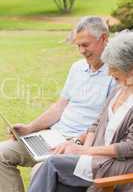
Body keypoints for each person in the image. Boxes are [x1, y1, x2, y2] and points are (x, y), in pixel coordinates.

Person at [0, 16, 115, 192]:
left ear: (104, 39)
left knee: (40, 170)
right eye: (78, 45)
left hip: (78, 143)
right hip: (53, 137)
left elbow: (105, 124)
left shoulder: (116, 74)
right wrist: (29, 128)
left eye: (85, 45)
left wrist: (76, 142)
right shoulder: (77, 68)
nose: (81, 51)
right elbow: (59, 107)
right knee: (2, 153)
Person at [28, 31, 133, 192]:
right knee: (58, 185)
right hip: (97, 159)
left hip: (117, 166)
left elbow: (129, 147)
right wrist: (82, 152)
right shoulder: (118, 90)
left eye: (114, 68)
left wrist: (85, 151)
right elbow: (96, 124)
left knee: (53, 164)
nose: (109, 73)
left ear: (130, 68)